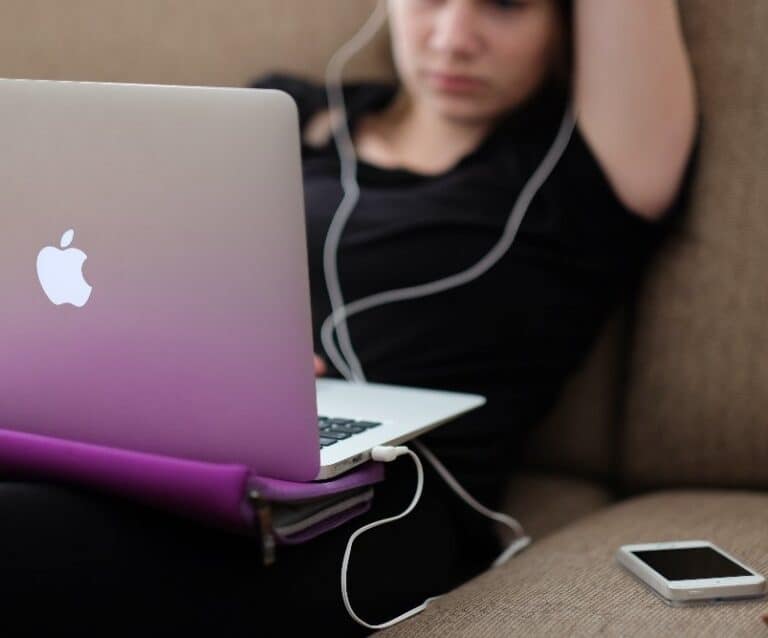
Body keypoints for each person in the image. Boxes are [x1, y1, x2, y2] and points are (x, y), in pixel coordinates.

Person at [0, 1, 699, 635]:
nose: (454, 38)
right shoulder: (285, 114)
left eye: (506, 5)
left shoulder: (580, 173)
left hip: (382, 501)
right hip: (183, 437)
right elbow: (129, 266)